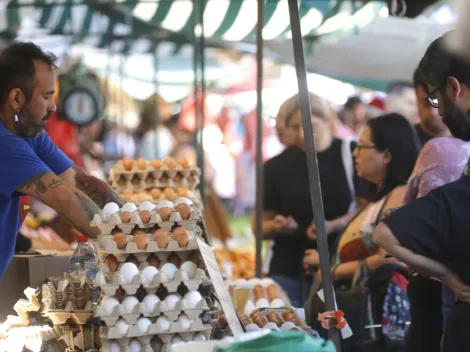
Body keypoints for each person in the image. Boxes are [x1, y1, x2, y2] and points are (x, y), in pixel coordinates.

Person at [373, 31, 470, 352]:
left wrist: (448, 277)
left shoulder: (440, 152)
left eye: (434, 97)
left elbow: (387, 236)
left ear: (454, 88)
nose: (438, 111)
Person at [0, 42, 124, 279]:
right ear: (16, 98)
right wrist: (128, 241)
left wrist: (137, 219)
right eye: (46, 96)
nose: (53, 106)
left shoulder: (30, 135)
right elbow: (62, 196)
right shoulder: (4, 144)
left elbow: (79, 180)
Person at [257, 92, 368, 307]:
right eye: (295, 127)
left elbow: (368, 210)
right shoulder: (275, 166)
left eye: (310, 126)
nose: (302, 134)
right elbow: (259, 228)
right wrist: (278, 226)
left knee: (334, 334)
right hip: (288, 270)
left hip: (339, 268)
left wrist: (333, 225)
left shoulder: (351, 154)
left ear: (327, 121)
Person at [304, 114, 419, 283]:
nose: (355, 152)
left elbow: (390, 257)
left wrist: (334, 271)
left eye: (362, 146)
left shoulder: (400, 194)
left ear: (386, 156)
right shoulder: (380, 199)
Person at [413, 68, 451, 147]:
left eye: (441, 103)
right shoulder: (402, 143)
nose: (433, 113)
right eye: (426, 103)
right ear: (416, 95)